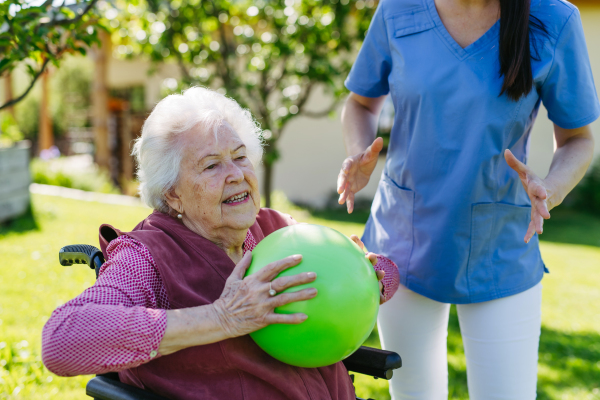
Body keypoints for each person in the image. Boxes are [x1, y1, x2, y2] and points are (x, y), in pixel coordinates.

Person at [41, 87, 400, 400]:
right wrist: (221, 318)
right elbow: (62, 340)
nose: (236, 174)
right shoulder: (147, 258)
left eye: (240, 156)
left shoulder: (276, 229)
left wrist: (374, 271)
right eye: (211, 166)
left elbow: (379, 278)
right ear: (173, 194)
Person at [336, 0, 599, 397]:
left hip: (501, 247)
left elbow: (578, 140)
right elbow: (359, 103)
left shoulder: (554, 19)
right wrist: (359, 152)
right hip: (404, 241)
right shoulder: (398, 11)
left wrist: (553, 187)